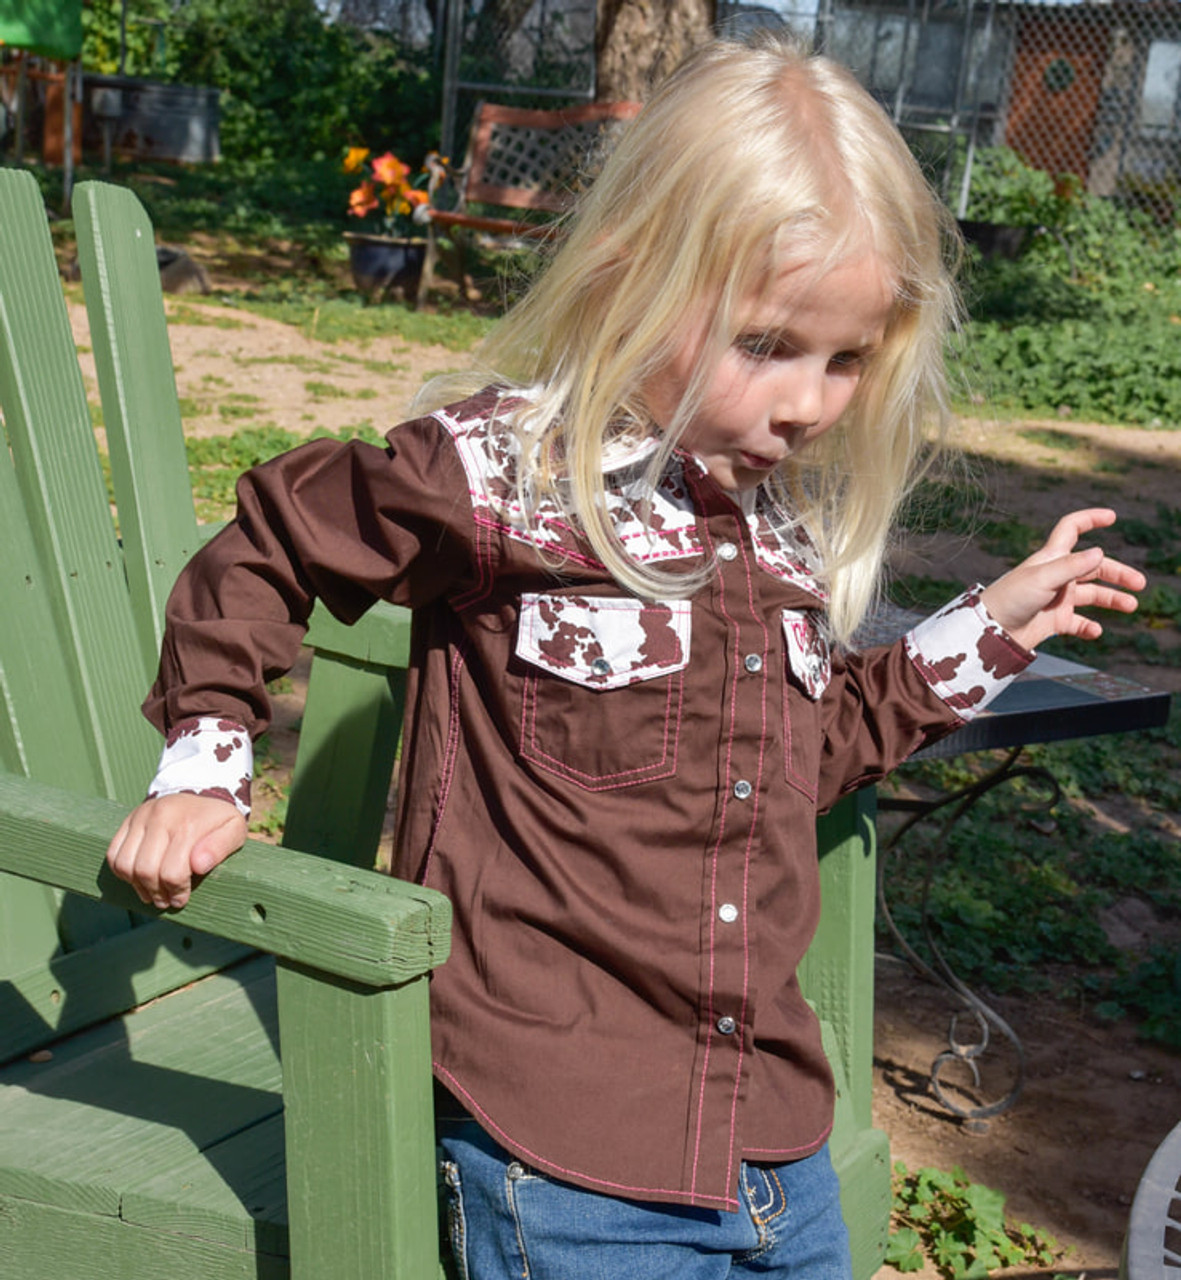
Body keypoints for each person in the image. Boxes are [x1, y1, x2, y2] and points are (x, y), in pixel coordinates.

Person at [106, 35, 1145, 1280]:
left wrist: (988, 631)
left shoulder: (780, 525)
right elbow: (275, 540)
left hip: (772, 1130)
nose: (809, 404)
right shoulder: (503, 479)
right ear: (628, 280)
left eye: (846, 358)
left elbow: (798, 758)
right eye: (765, 343)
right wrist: (205, 760)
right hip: (559, 1139)